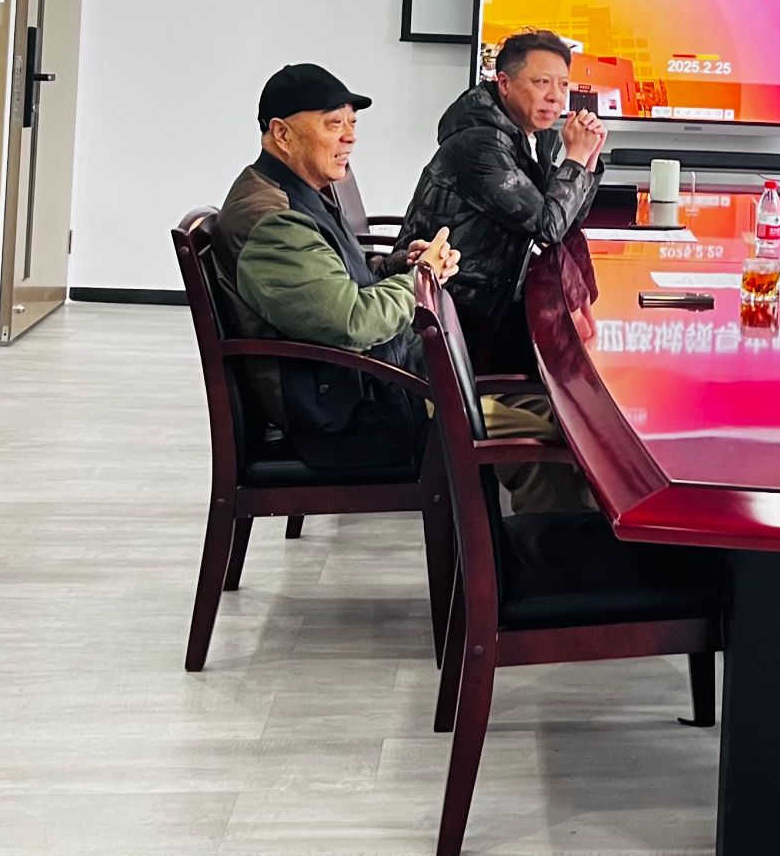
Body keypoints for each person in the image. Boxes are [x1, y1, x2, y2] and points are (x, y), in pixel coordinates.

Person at [400, 30, 607, 510]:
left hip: (482, 308)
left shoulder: (527, 136)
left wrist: (588, 161)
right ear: (505, 83)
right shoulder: (480, 143)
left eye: (563, 85)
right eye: (541, 82)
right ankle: (561, 529)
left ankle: (586, 518)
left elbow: (564, 218)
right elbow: (547, 224)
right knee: (580, 400)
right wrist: (575, 159)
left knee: (582, 392)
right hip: (458, 322)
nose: (556, 97)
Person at [215, 64, 458, 470]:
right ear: (282, 134)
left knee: (520, 416)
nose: (351, 136)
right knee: (529, 436)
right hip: (350, 421)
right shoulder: (274, 220)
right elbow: (352, 322)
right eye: (334, 124)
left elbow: (340, 282)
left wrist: (400, 265)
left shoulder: (297, 190)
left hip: (366, 390)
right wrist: (420, 280)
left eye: (352, 123)